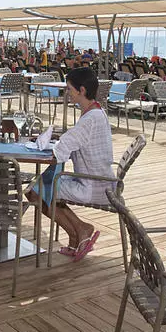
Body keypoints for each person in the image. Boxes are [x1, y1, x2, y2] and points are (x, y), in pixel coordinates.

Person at [26, 67, 114, 261]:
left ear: (81, 90)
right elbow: (75, 139)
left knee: (35, 192)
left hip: (92, 185)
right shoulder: (97, 111)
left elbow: (63, 149)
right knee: (45, 186)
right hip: (103, 180)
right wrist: (58, 137)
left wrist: (49, 141)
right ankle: (76, 236)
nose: (67, 93)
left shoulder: (90, 119)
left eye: (69, 89)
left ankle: (81, 229)